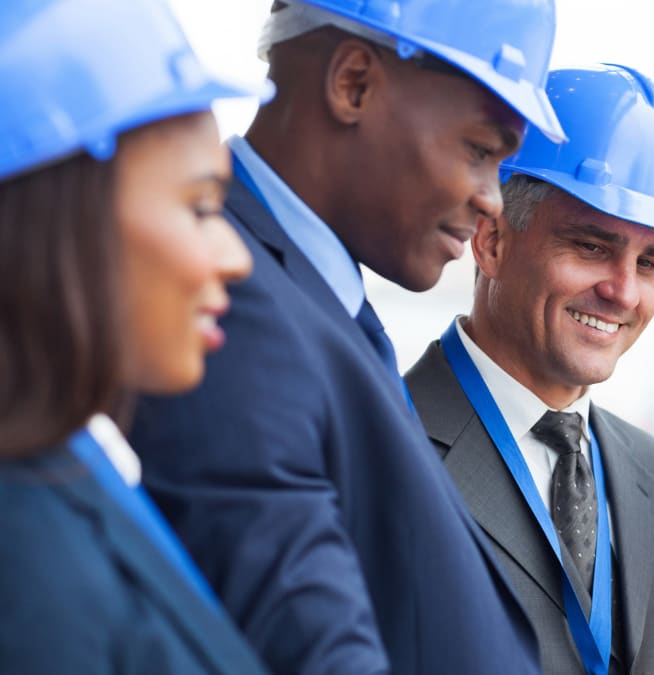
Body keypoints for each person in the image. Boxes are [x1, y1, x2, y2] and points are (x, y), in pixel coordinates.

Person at [127, 1, 565, 673]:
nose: (492, 200)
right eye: (480, 152)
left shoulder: (314, 302)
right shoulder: (228, 309)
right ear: (353, 83)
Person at [405, 64, 654, 675]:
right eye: (591, 247)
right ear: (492, 240)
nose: (625, 292)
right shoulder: (379, 449)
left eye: (651, 262)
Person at [0, 0, 269, 671]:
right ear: (61, 221)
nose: (237, 258)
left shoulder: (73, 458)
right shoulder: (26, 562)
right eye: (201, 205)